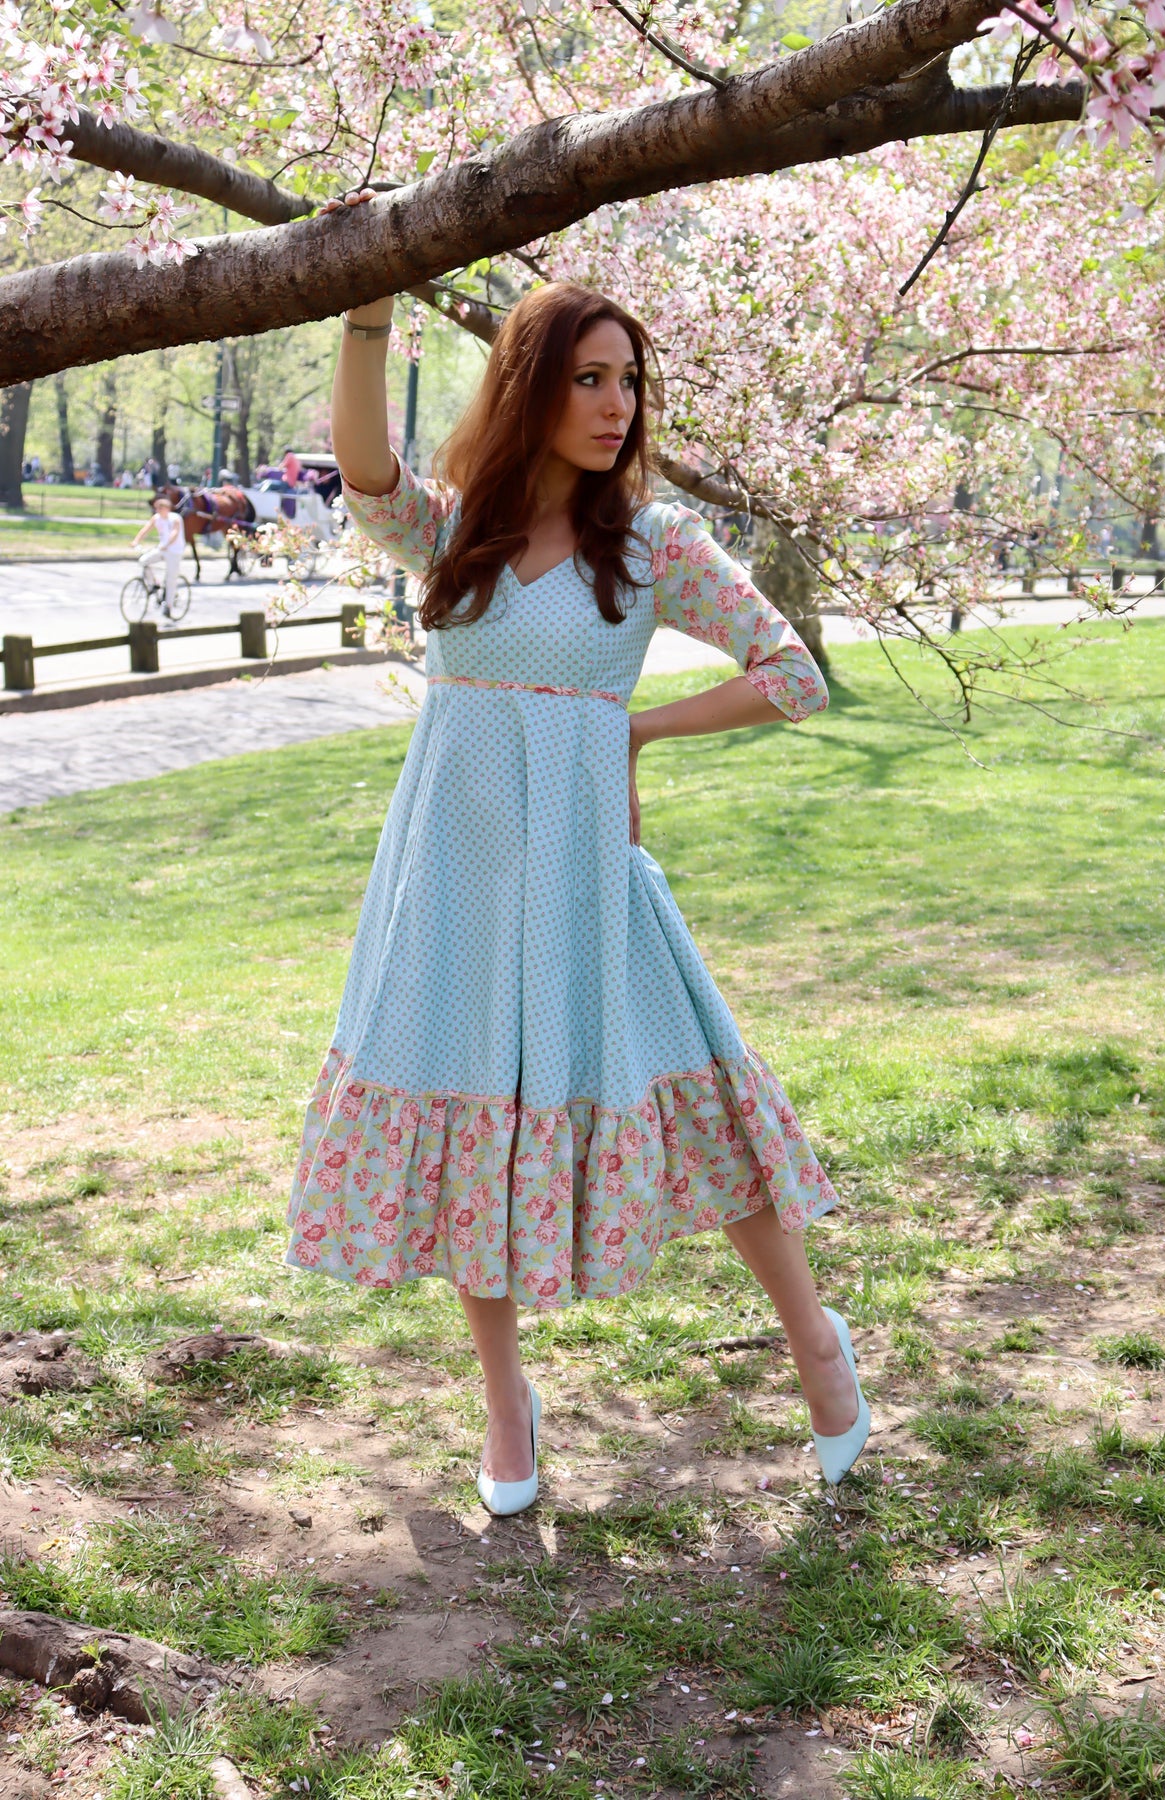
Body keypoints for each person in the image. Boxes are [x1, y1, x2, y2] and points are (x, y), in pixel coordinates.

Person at [284, 277, 870, 1518]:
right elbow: (363, 476)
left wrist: (638, 733)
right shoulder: (456, 531)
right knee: (467, 1121)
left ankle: (815, 1340)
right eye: (590, 379)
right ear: (530, 388)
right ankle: (506, 1402)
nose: (617, 406)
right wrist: (365, 315)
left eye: (630, 382)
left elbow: (793, 675)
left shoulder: (654, 546)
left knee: (701, 1097)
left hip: (586, 886)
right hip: (450, 879)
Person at [130, 494, 184, 616]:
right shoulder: (156, 518)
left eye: (160, 508)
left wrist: (168, 543)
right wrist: (136, 541)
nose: (158, 510)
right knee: (144, 561)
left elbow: (175, 532)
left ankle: (168, 606)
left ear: (167, 508)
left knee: (171, 579)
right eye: (156, 508)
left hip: (175, 550)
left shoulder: (175, 518)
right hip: (162, 549)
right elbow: (146, 529)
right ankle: (154, 583)